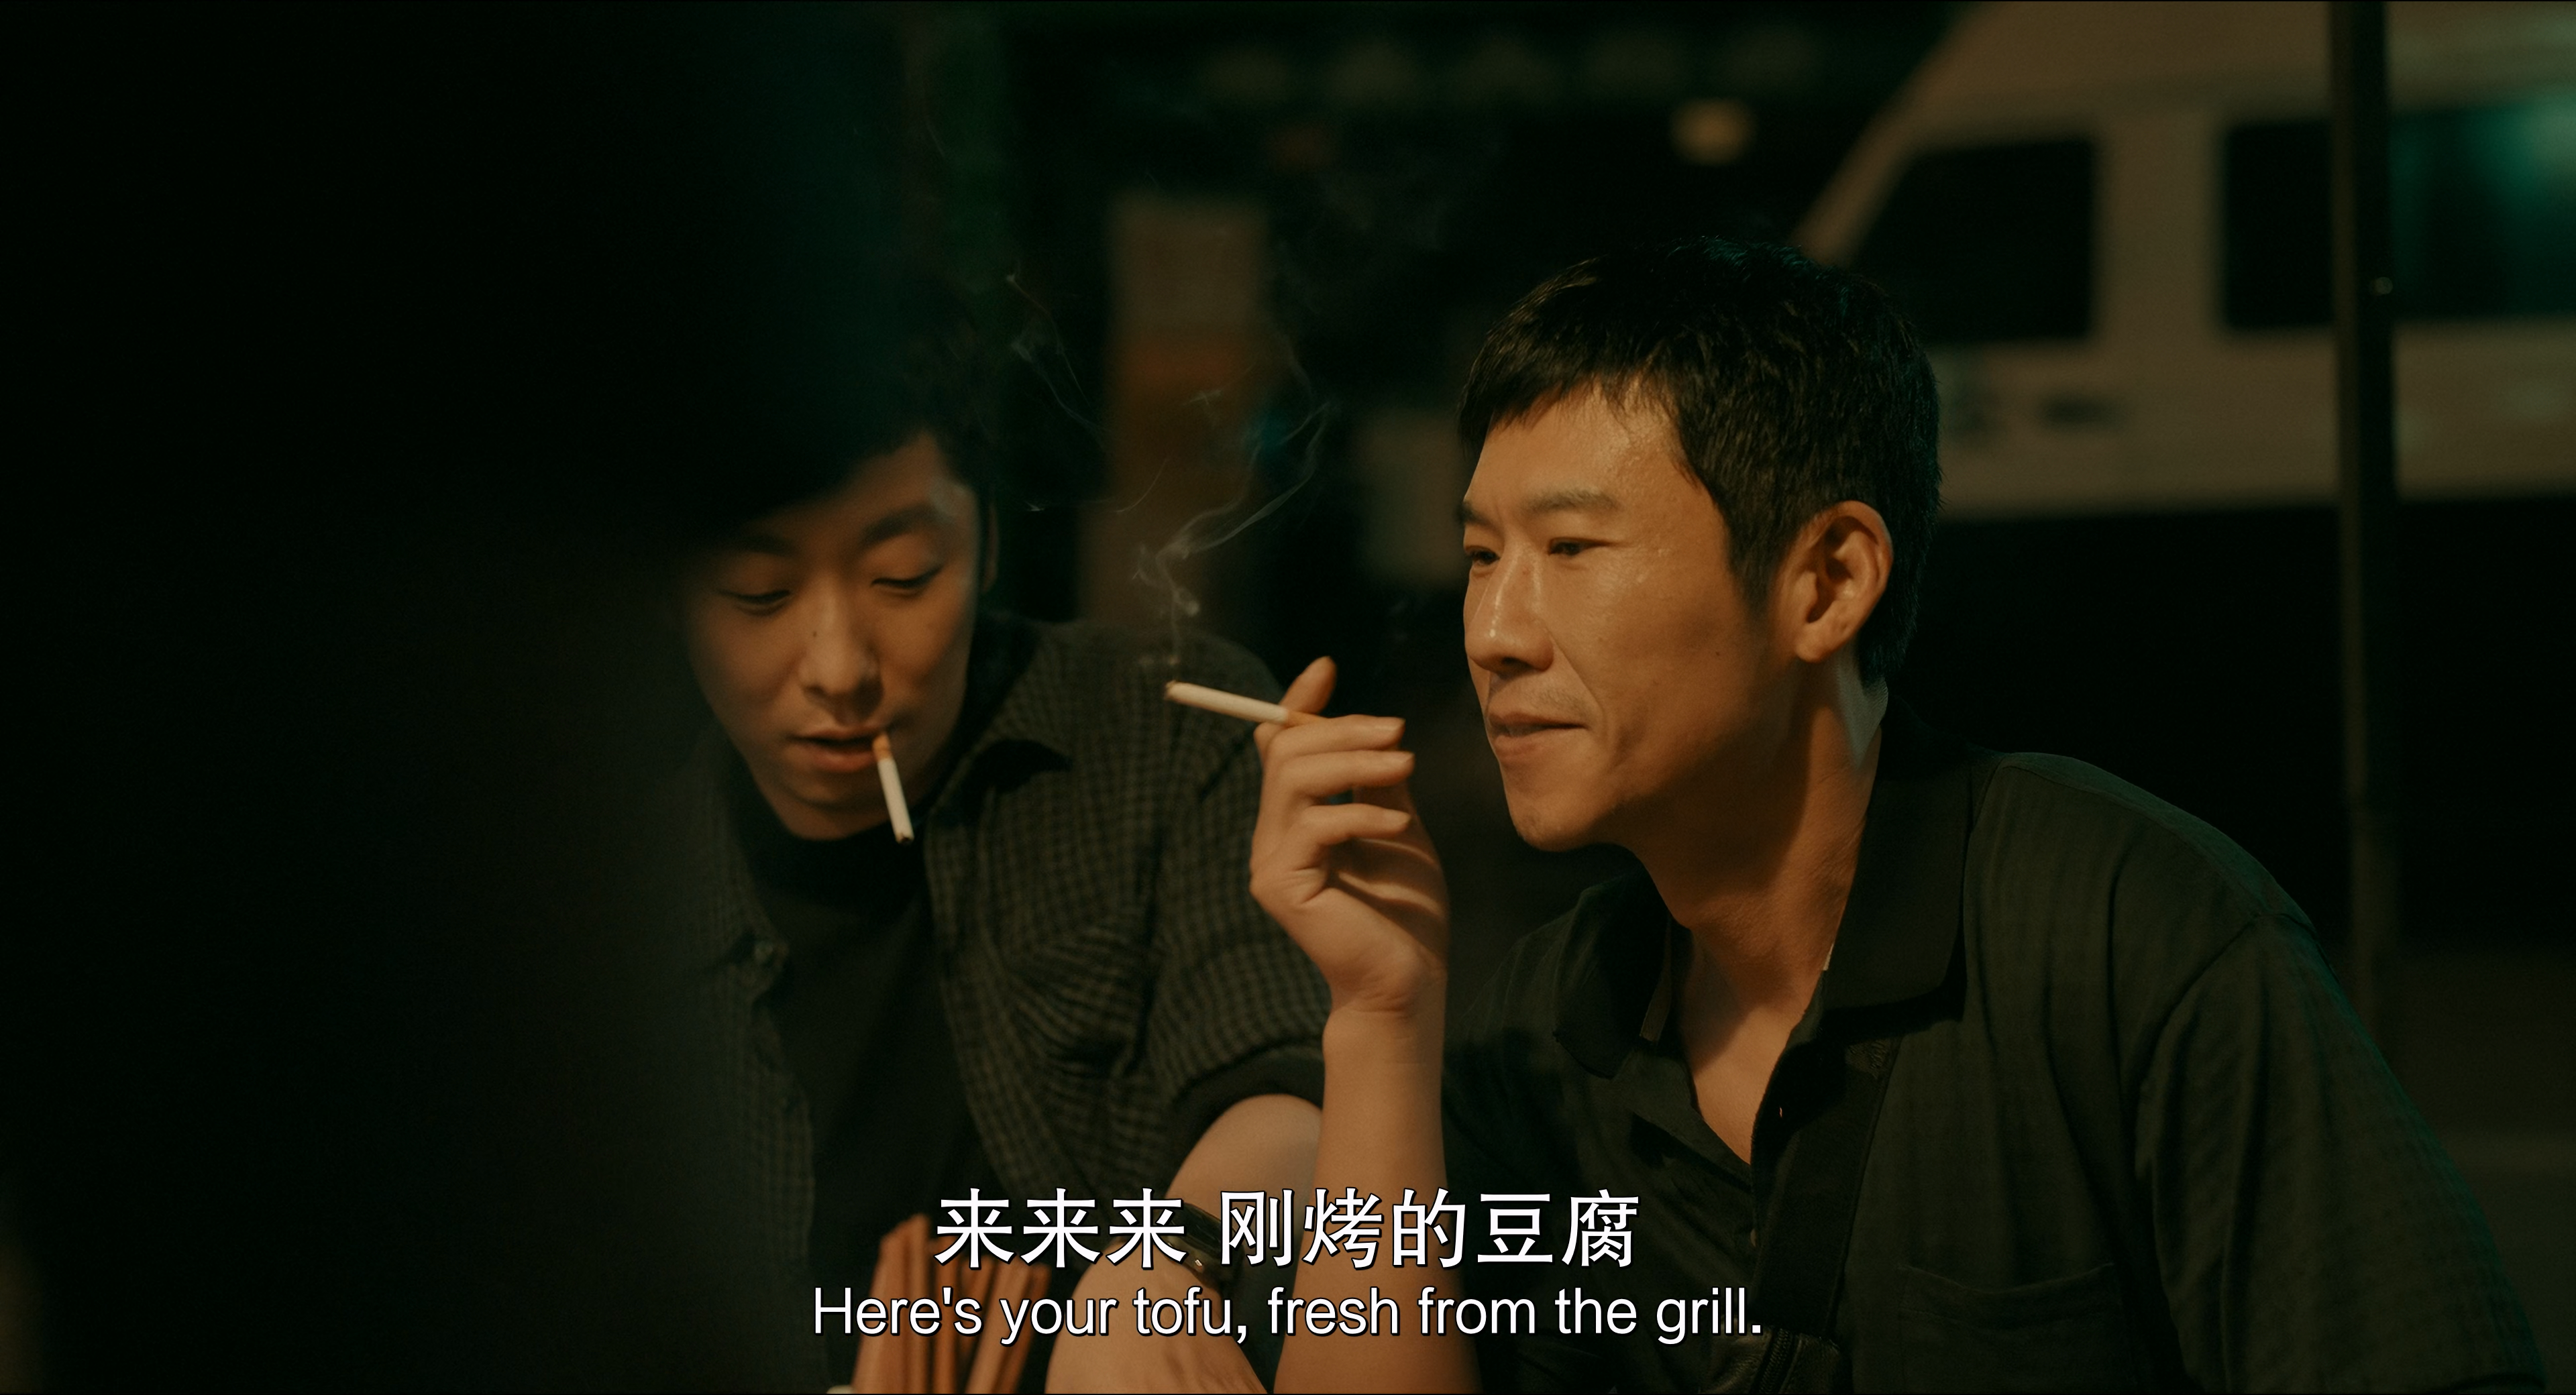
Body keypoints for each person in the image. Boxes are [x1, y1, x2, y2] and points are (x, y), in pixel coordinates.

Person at [1249, 239, 2543, 1392]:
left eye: (1571, 551)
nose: (1494, 632)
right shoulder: (1547, 1025)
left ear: (1828, 582)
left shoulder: (2124, 938)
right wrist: (1383, 1019)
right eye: (1482, 557)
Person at [664, 317, 1325, 1392]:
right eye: (759, 593)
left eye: (904, 576)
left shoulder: (1165, 731)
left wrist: (1171, 1268)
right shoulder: (608, 882)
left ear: (989, 548)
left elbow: (1284, 1089)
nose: (839, 669)